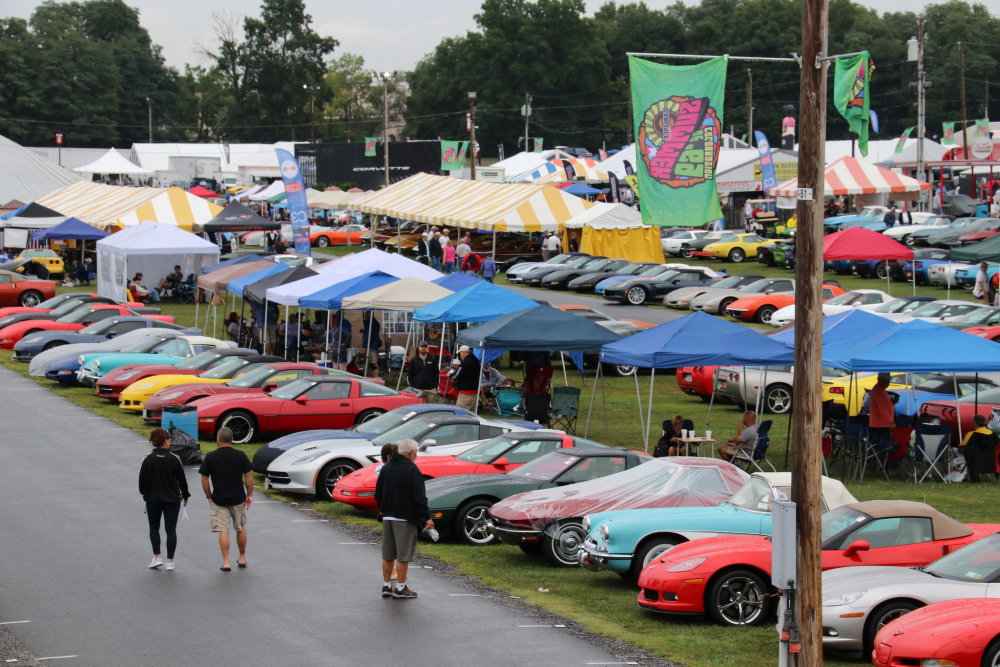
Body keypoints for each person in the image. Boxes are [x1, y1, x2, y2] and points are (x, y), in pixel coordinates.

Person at [374, 439, 433, 599]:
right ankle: (400, 587)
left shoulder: (386, 468)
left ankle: (386, 586)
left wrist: (384, 508)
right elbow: (419, 497)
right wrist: (426, 517)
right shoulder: (412, 470)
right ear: (412, 453)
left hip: (387, 516)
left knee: (387, 554)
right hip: (405, 518)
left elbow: (377, 494)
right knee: (403, 555)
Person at [199, 427, 253, 572]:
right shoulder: (240, 455)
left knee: (224, 530)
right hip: (238, 498)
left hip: (219, 499)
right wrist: (249, 495)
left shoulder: (211, 456)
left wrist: (209, 496)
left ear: (218, 439)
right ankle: (242, 557)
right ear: (231, 439)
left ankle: (226, 562)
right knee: (240, 528)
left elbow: (204, 479)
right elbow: (248, 477)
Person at [139, 428, 190, 571]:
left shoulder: (147, 459)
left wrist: (145, 494)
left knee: (154, 528)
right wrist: (185, 495)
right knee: (170, 529)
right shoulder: (175, 459)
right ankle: (170, 560)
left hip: (152, 499)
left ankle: (156, 556)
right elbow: (182, 480)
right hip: (172, 499)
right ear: (166, 441)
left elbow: (142, 481)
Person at [960, 414, 998, 482]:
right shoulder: (993, 435)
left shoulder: (971, 434)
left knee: (958, 451)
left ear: (974, 423)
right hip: (990, 461)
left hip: (975, 462)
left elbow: (962, 446)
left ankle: (959, 475)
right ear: (985, 422)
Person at [867, 372, 896, 459]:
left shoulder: (880, 390)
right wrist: (890, 422)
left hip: (880, 424)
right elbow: (882, 409)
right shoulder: (878, 391)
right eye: (886, 381)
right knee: (881, 448)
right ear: (880, 380)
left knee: (880, 448)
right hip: (880, 425)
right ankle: (878, 467)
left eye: (888, 382)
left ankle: (879, 466)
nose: (888, 384)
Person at [450, 345, 481, 413]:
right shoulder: (476, 361)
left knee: (460, 413)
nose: (460, 355)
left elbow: (458, 375)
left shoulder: (465, 363)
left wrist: (451, 375)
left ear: (464, 352)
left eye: (460, 353)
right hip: (475, 392)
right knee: (472, 415)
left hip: (466, 393)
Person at [361, 312, 382, 377]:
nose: (365, 316)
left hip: (371, 346)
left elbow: (368, 335)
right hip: (373, 344)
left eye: (366, 315)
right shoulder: (373, 322)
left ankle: (375, 379)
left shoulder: (370, 323)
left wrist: (364, 346)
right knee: (372, 363)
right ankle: (375, 378)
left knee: (373, 363)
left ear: (369, 315)